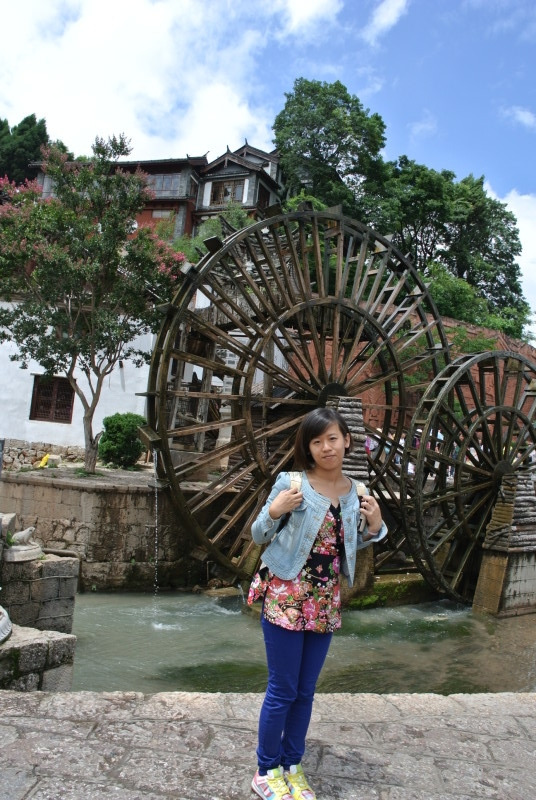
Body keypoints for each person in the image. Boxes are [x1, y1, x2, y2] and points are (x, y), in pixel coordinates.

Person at [248, 407, 387, 800]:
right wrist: (274, 511)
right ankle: (265, 770)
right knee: (282, 689)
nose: (326, 447)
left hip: (325, 600)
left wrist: (376, 525)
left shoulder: (357, 492)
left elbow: (355, 541)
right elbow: (258, 534)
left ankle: (292, 765)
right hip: (286, 595)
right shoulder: (291, 483)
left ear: (347, 440)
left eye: (332, 438)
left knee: (305, 690)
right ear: (307, 448)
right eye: (317, 441)